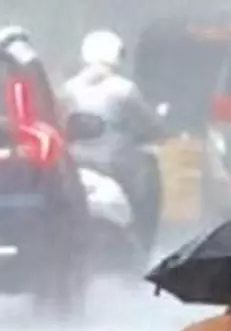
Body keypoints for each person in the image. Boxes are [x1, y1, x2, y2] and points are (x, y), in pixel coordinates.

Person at [63, 30, 166, 252]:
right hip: (116, 167)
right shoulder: (124, 90)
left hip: (74, 164)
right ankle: (141, 244)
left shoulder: (69, 89)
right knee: (148, 179)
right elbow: (150, 126)